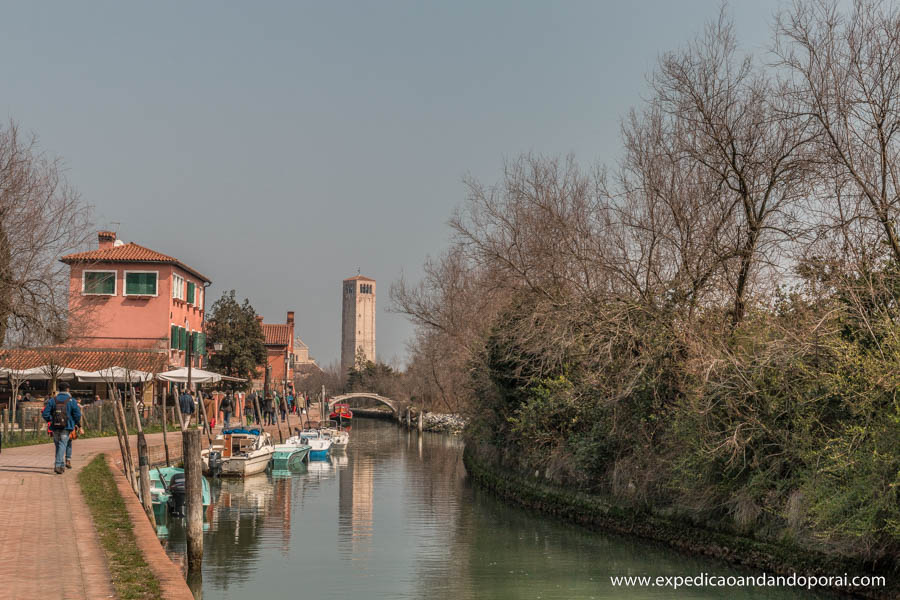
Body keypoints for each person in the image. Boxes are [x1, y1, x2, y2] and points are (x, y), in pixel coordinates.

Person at [41, 382, 81, 474]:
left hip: (55, 426)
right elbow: (78, 415)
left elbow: (45, 413)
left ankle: (62, 465)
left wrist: (51, 420)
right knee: (62, 444)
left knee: (58, 445)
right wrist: (73, 422)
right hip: (66, 426)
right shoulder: (72, 400)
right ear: (67, 389)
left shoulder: (52, 400)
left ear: (59, 389)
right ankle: (58, 465)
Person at [65, 397, 85, 469]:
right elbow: (76, 416)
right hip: (69, 426)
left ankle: (59, 461)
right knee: (68, 443)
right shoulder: (72, 403)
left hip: (58, 426)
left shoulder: (56, 401)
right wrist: (80, 427)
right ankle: (68, 460)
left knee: (60, 444)